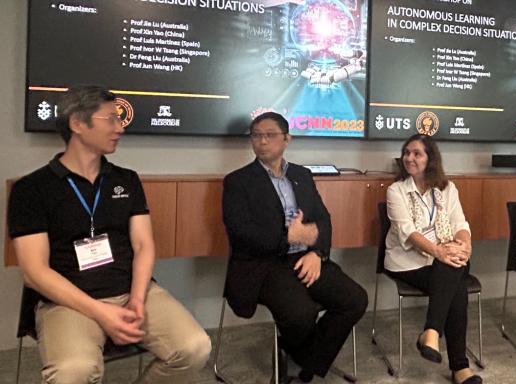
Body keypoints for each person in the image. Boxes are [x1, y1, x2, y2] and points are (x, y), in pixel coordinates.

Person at [7, 86, 211, 384]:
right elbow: (34, 272)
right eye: (111, 119)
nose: (120, 128)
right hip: (68, 302)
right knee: (73, 371)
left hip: (131, 291)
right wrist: (101, 312)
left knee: (194, 348)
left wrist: (137, 299)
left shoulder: (126, 180)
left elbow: (143, 245)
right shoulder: (31, 189)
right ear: (78, 123)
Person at [221, 111, 367, 382]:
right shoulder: (238, 181)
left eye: (270, 135)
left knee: (355, 299)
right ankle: (305, 359)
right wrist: (289, 237)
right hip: (264, 264)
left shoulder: (302, 175)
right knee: (301, 314)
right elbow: (241, 233)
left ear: (286, 139)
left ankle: (300, 357)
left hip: (305, 257)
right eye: (256, 135)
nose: (262, 141)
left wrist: (316, 252)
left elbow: (322, 219)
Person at [384, 134, 482, 384]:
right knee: (455, 280)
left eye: (417, 153)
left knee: (453, 271)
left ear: (431, 159)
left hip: (443, 259)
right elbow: (408, 231)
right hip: (407, 261)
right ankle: (459, 367)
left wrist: (464, 245)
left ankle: (431, 332)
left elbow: (460, 223)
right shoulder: (396, 191)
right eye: (406, 153)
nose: (409, 158)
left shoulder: (447, 189)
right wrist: (440, 252)